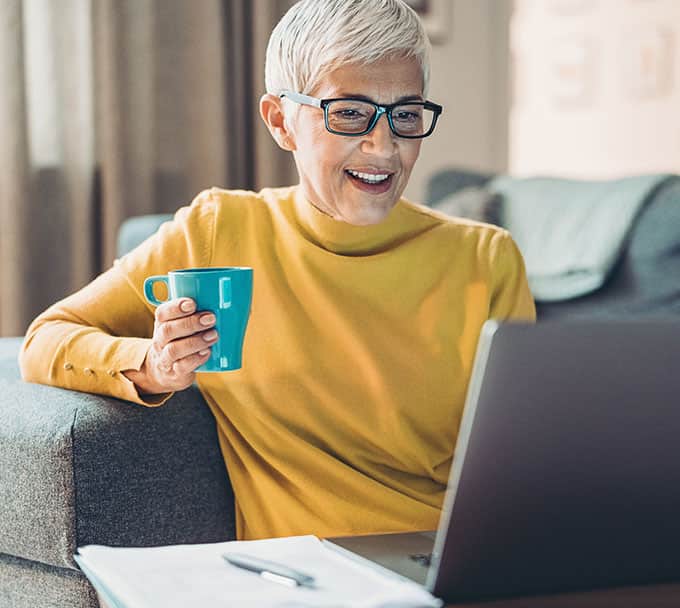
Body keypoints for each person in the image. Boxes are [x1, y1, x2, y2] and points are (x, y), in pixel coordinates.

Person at [20, 0, 535, 541]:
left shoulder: (485, 259)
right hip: (301, 586)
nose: (384, 148)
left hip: (455, 572)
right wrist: (152, 364)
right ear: (280, 121)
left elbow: (525, 467)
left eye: (405, 115)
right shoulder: (219, 231)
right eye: (349, 112)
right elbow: (44, 340)